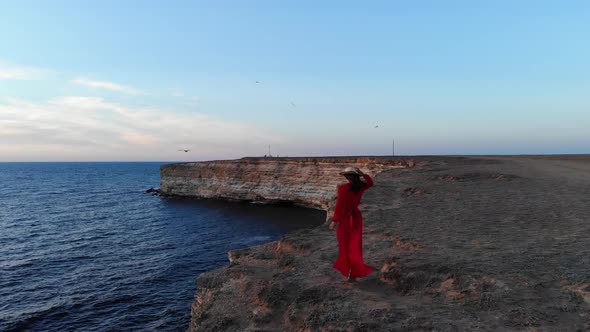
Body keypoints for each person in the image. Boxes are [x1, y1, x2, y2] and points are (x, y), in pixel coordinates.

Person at [329, 167, 374, 281]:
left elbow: (339, 206)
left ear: (347, 177)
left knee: (345, 247)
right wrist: (363, 174)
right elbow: (370, 183)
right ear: (357, 176)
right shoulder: (361, 186)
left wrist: (334, 221)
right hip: (356, 218)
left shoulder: (343, 188)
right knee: (355, 246)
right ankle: (353, 273)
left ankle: (349, 271)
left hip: (345, 220)